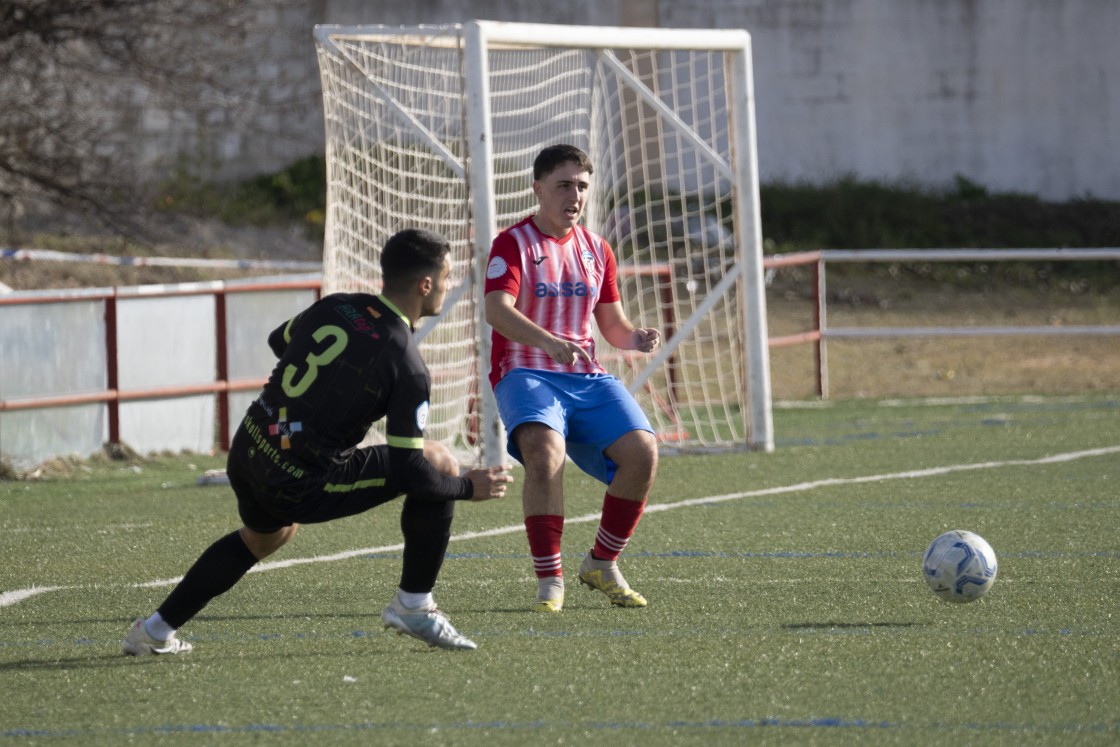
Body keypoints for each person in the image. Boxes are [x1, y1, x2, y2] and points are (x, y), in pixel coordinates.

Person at [122, 228, 513, 654]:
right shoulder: (406, 364)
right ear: (425, 285)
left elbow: (279, 341)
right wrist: (468, 488)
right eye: (448, 277)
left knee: (267, 536)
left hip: (249, 446)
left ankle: (154, 631)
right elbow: (411, 472)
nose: (449, 285)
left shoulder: (338, 305)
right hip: (297, 480)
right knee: (439, 462)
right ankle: (414, 604)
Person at [484, 144, 661, 613]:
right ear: (538, 188)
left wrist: (634, 337)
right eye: (564, 185)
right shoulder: (512, 243)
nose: (575, 195)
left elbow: (611, 324)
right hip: (525, 370)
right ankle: (550, 582)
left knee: (643, 452)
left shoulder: (597, 249)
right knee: (544, 453)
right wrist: (546, 341)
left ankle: (601, 563)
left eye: (582, 186)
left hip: (585, 376)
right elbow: (496, 310)